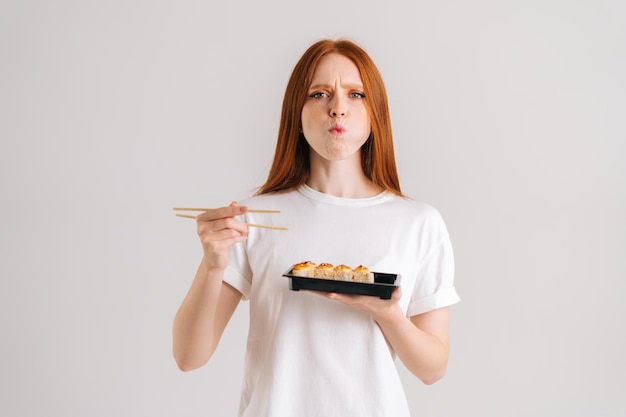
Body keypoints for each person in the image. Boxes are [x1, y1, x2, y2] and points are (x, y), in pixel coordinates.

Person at [173, 38, 460, 416]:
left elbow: (433, 369)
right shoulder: (253, 218)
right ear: (297, 113)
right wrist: (211, 265)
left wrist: (388, 314)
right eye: (320, 93)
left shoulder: (419, 223)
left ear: (376, 116)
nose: (338, 108)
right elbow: (189, 357)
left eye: (356, 95)